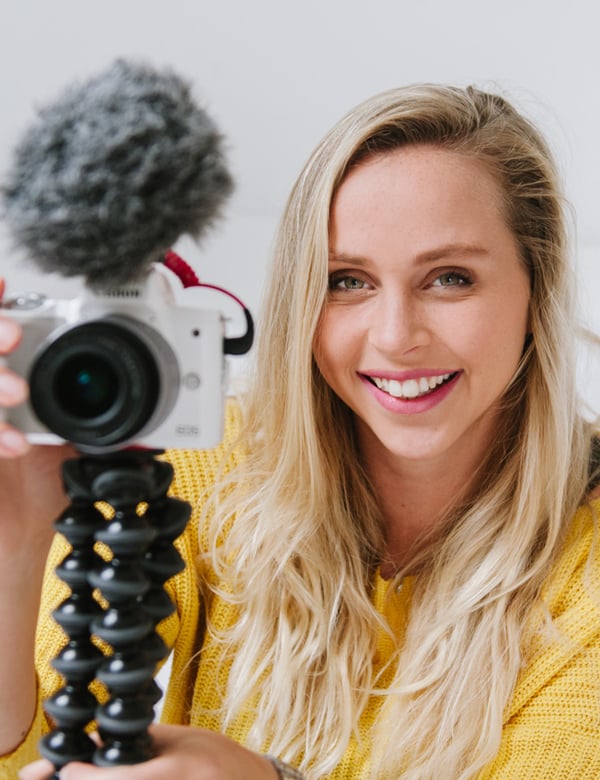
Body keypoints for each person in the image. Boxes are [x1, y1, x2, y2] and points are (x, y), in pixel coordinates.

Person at [1, 83, 599, 780]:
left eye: (450, 278)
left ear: (537, 290)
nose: (396, 336)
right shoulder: (202, 464)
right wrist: (15, 549)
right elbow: (35, 755)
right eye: (347, 281)